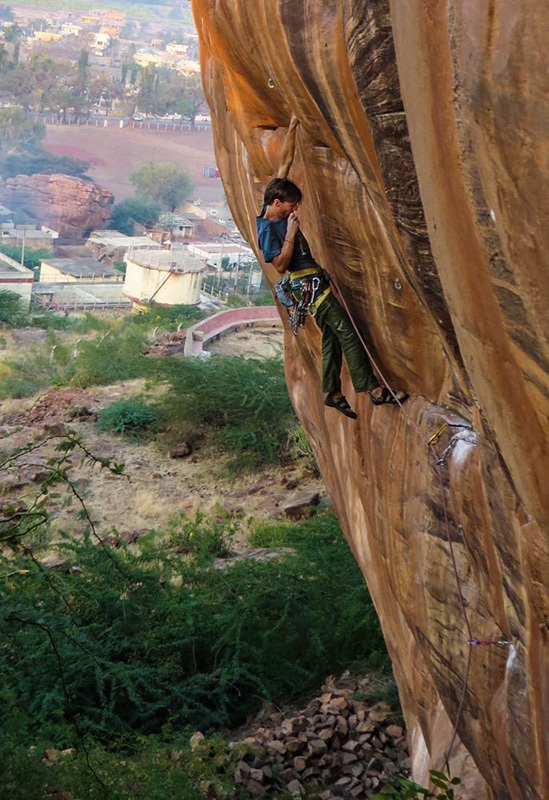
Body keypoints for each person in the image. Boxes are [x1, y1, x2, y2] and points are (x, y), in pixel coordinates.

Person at [256, 177, 408, 418]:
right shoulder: (268, 229)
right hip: (309, 289)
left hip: (315, 280)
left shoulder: (281, 218)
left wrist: (320, 270)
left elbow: (300, 256)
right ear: (277, 202)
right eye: (292, 205)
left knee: (332, 338)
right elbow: (281, 266)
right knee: (347, 332)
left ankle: (332, 393)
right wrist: (291, 234)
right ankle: (374, 389)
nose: (295, 209)